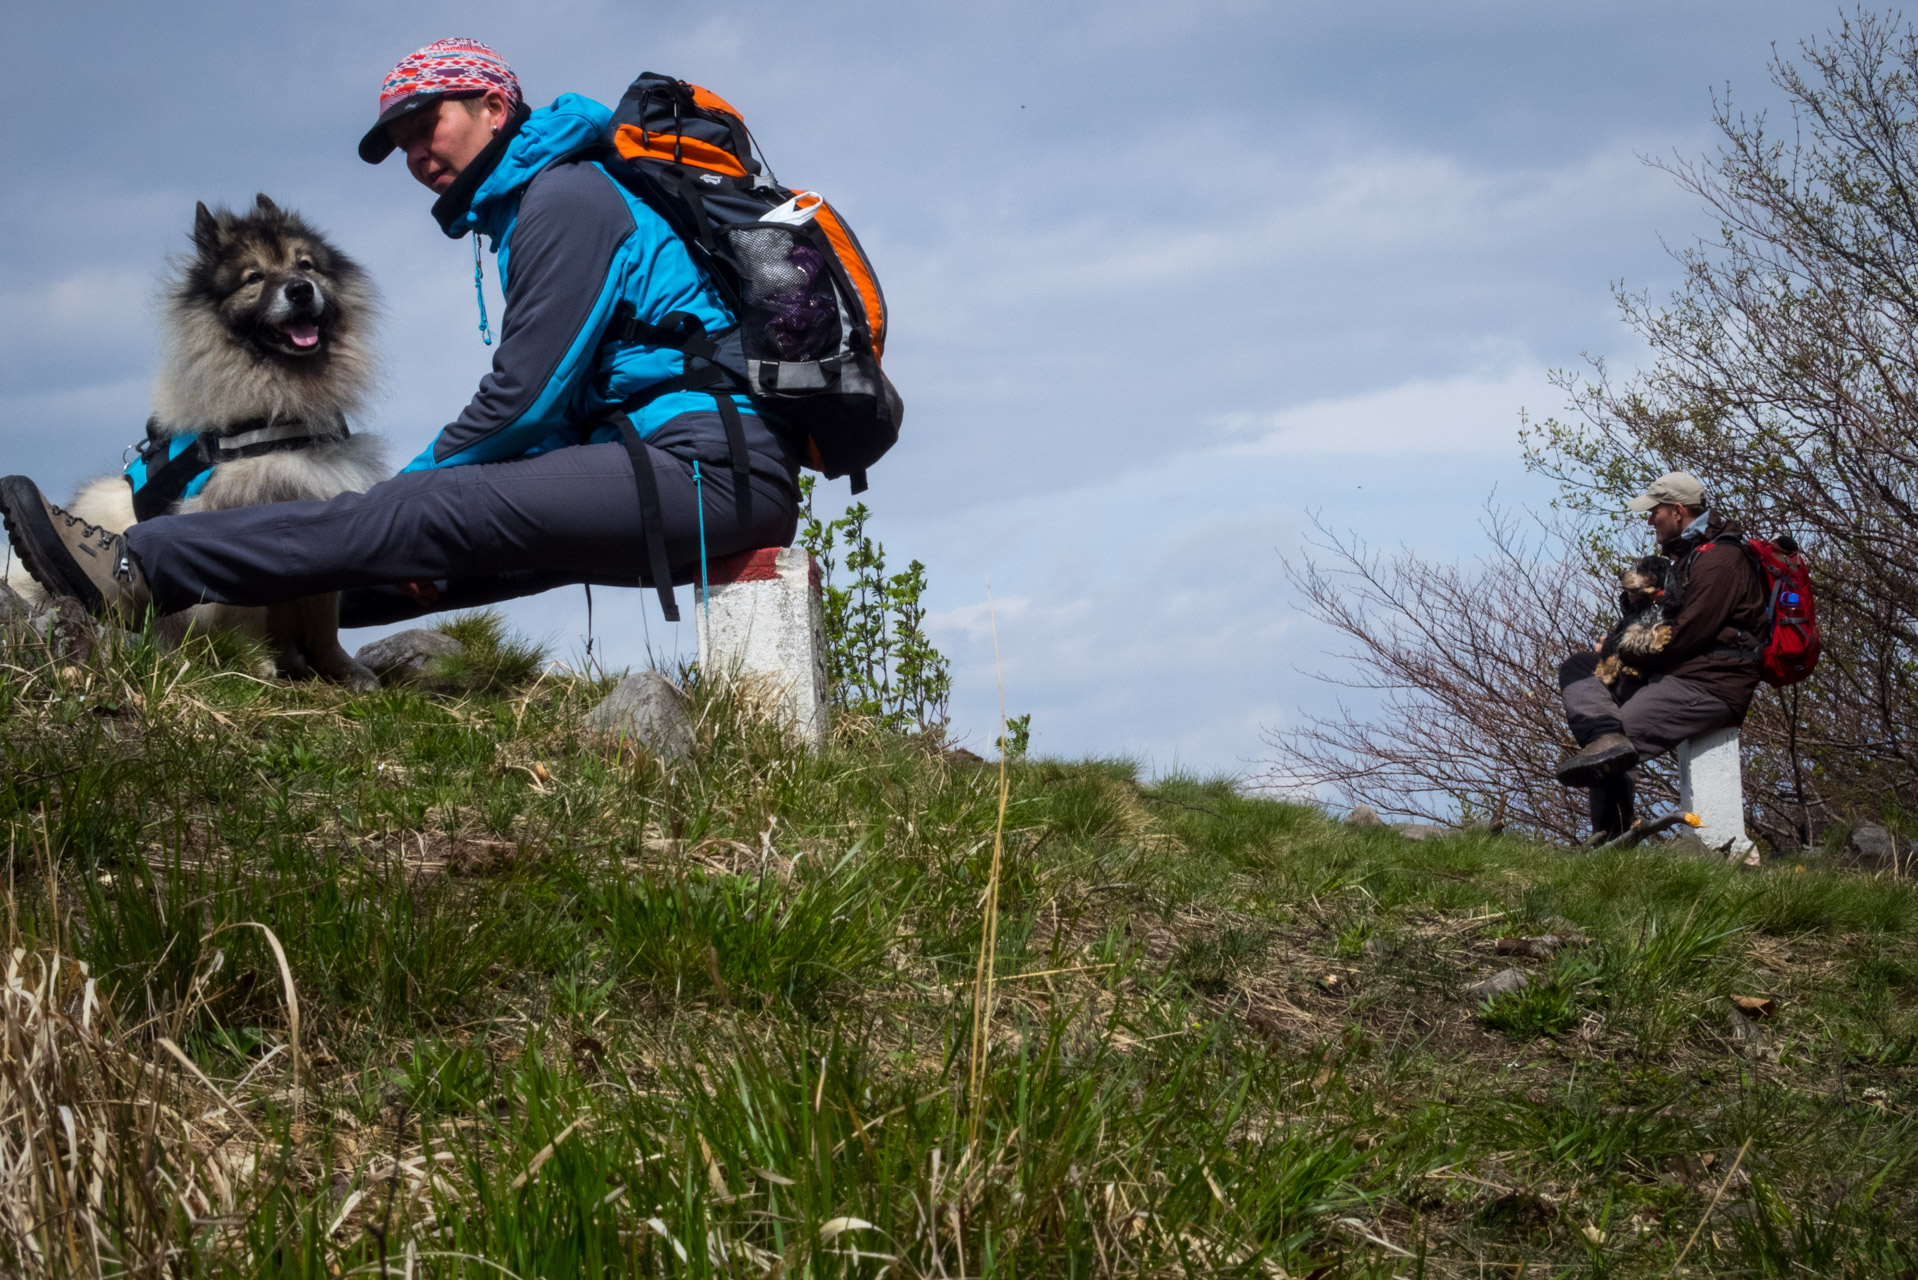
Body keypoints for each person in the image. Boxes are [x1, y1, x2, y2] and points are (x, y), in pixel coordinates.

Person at [0, 38, 797, 628]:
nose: (416, 153)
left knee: (427, 509)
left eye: (428, 123)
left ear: (495, 107)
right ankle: (262, 639)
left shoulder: (567, 199)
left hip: (706, 468)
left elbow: (525, 402)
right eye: (400, 143)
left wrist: (405, 494)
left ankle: (137, 564)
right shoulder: (533, 211)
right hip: (661, 464)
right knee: (396, 557)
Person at [1553, 471, 1768, 838]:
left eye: (1655, 511)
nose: (1649, 519)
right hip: (1678, 673)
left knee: (1610, 756)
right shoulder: (1691, 555)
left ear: (1678, 511)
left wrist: (1620, 649)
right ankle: (1605, 735)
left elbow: (1684, 636)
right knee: (1580, 666)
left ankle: (1611, 846)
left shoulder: (1721, 561)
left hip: (1710, 684)